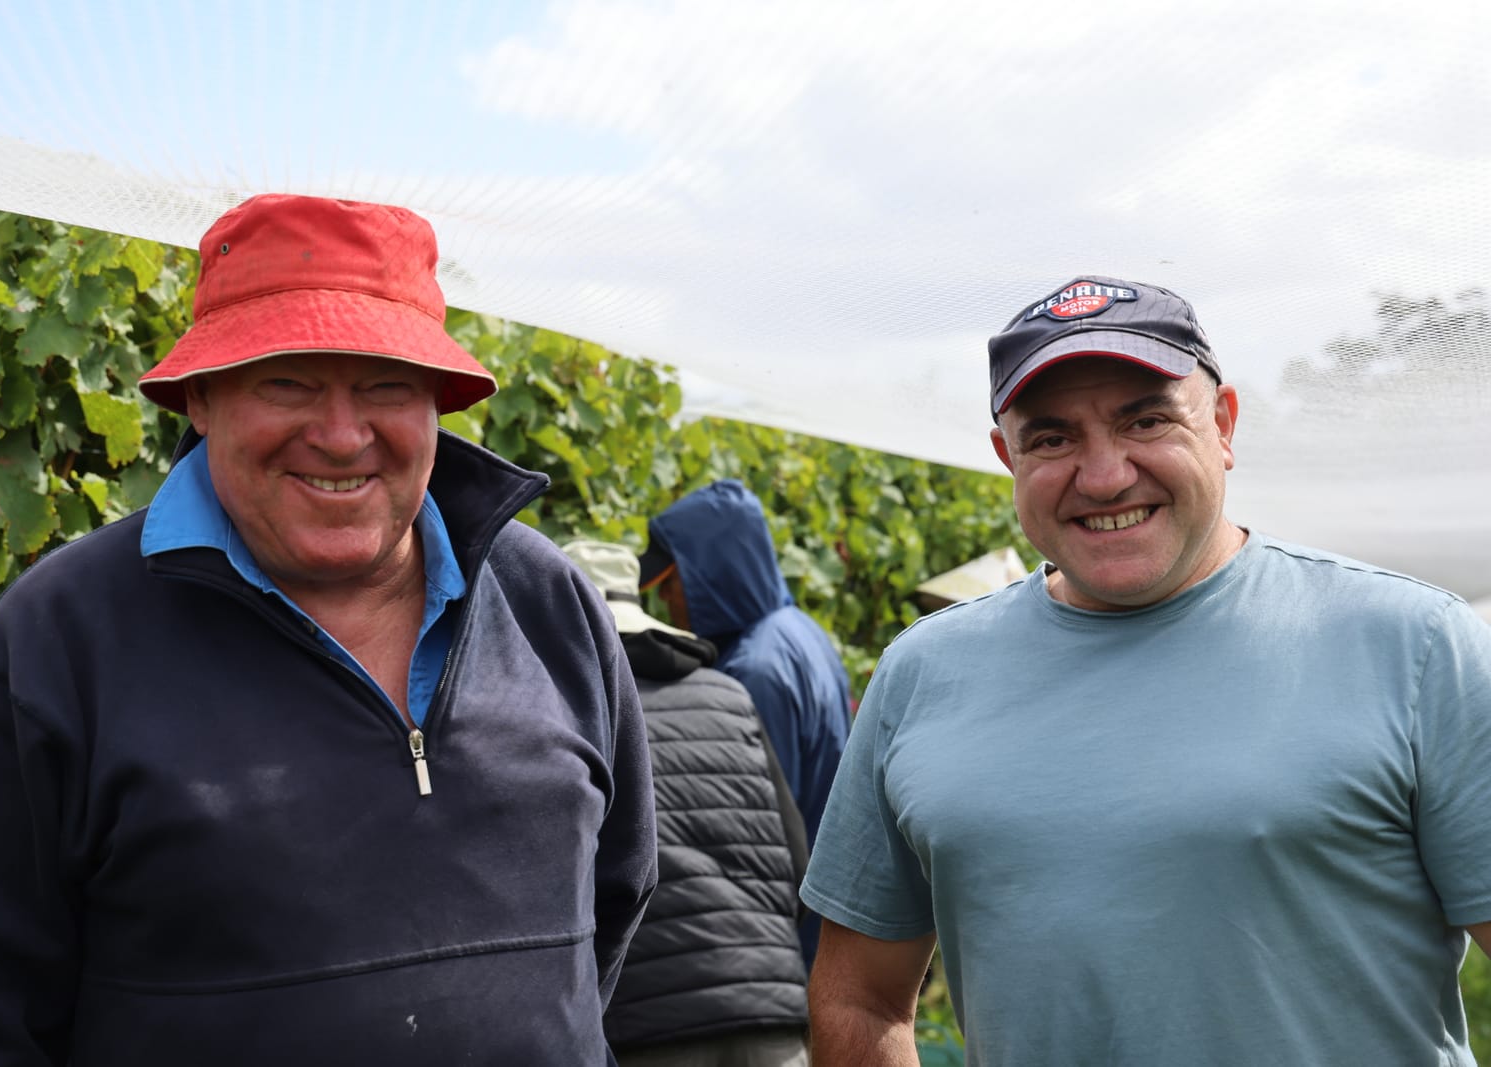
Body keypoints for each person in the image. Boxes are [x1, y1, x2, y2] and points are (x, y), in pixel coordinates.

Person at [0, 194, 657, 1066]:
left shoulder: (548, 603)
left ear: (437, 405)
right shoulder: (55, 641)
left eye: (386, 385)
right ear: (203, 399)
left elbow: (608, 912)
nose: (340, 434)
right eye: (287, 380)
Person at [801, 275, 1491, 1066]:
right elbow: (859, 995)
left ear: (1224, 425)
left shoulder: (1412, 645)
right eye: (1053, 438)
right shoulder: (922, 674)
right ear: (1007, 455)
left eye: (1146, 420)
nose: (1103, 476)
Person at [564, 539, 811, 1067]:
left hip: (648, 1024)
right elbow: (799, 863)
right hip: (771, 1010)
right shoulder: (730, 695)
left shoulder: (572, 712)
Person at [639, 480, 855, 965]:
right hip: (824, 921)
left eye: (673, 586)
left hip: (786, 942)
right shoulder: (799, 633)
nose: (669, 606)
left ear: (709, 578)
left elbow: (755, 831)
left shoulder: (753, 671)